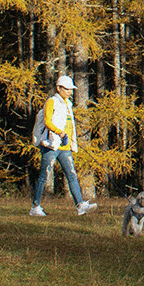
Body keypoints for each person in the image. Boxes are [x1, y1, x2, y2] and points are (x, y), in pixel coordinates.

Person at [29, 74, 97, 216]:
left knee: (71, 175)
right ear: (58, 88)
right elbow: (48, 121)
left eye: (71, 89)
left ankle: (80, 205)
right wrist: (59, 132)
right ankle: (35, 207)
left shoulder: (68, 104)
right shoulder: (51, 102)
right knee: (44, 176)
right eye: (67, 89)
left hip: (65, 147)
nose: (70, 92)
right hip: (51, 145)